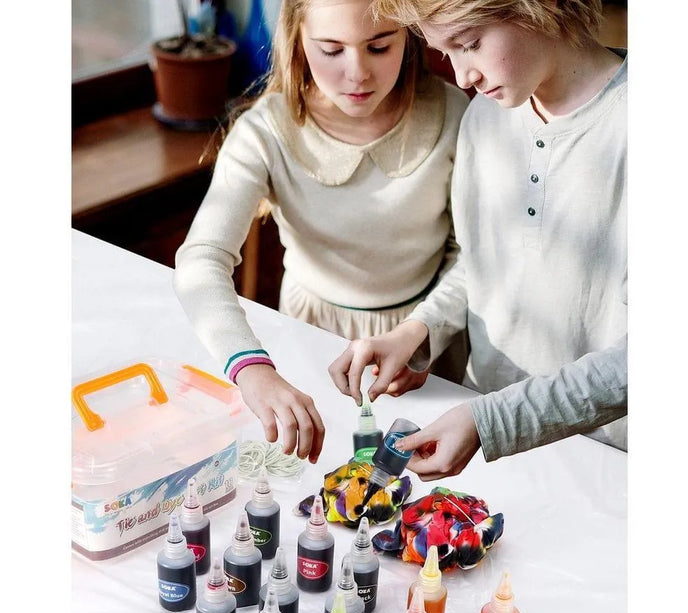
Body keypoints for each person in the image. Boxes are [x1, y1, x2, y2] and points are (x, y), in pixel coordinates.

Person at [329, 0, 627, 479]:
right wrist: (417, 330)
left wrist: (493, 422)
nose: (462, 76)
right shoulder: (486, 117)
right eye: (447, 53)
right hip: (488, 439)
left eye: (469, 44)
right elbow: (484, 260)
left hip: (608, 457)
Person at [173, 0, 470, 463]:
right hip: (307, 342)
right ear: (297, 41)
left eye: (378, 46)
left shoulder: (453, 113)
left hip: (427, 343)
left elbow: (473, 256)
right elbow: (200, 260)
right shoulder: (265, 130)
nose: (358, 74)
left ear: (410, 36)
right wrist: (252, 371)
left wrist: (423, 332)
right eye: (331, 50)